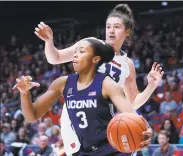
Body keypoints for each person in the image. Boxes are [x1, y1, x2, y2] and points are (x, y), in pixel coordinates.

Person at [34, 4, 164, 155]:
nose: (111, 31)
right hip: (77, 115)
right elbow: (55, 57)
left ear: (127, 31)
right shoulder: (91, 45)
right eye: (108, 26)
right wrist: (49, 41)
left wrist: (151, 86)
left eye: (117, 27)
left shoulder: (127, 64)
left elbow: (132, 101)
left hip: (103, 122)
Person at [13, 38, 153, 156]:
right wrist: (24, 93)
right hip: (85, 150)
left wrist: (145, 130)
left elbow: (131, 114)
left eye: (81, 51)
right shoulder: (62, 83)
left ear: (95, 59)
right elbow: (32, 116)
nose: (75, 55)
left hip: (111, 148)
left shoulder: (107, 84)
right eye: (75, 52)